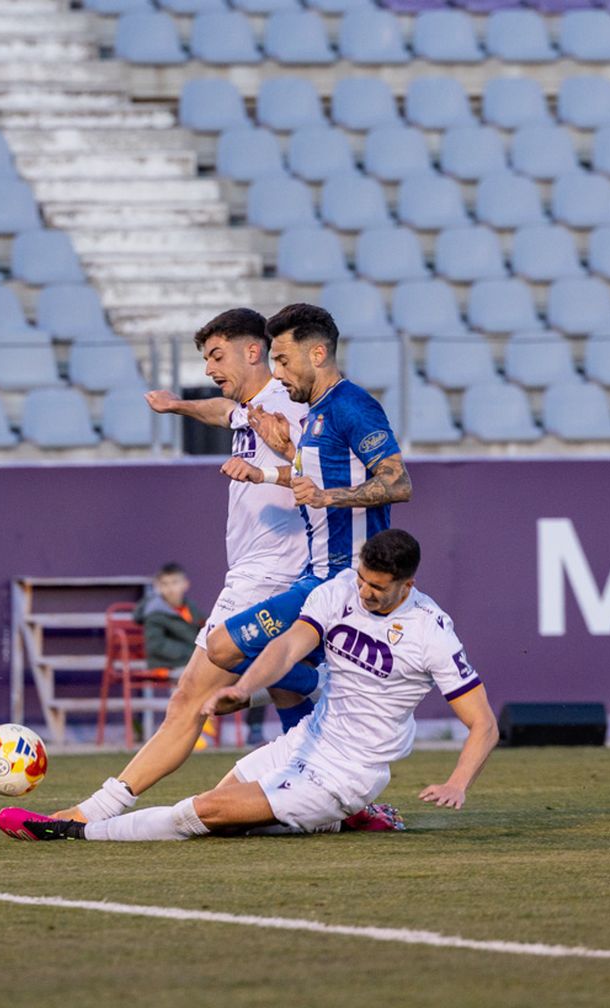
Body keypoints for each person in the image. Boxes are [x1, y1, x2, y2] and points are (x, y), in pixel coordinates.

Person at [55, 304, 414, 825]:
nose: (209, 369)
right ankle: (342, 793)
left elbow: (389, 481)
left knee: (194, 689)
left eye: (217, 356)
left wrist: (313, 484)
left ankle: (97, 810)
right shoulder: (288, 409)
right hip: (295, 571)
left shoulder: (310, 403)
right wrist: (183, 409)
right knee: (288, 692)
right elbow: (232, 420)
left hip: (279, 571)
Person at [0, 529, 498, 842]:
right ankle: (343, 820)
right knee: (223, 817)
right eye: (363, 580)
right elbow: (286, 647)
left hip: (347, 772)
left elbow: (484, 725)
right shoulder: (340, 590)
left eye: (377, 587)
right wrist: (243, 688)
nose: (365, 592)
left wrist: (458, 784)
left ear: (406, 586)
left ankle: (74, 831)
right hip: (304, 743)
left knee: (205, 812)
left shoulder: (431, 631)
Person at [136, 563, 202, 670]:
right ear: (158, 587)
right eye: (164, 584)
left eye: (175, 582)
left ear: (185, 584)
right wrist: (192, 653)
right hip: (167, 665)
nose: (170, 588)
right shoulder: (154, 612)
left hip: (188, 662)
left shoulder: (191, 607)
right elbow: (156, 645)